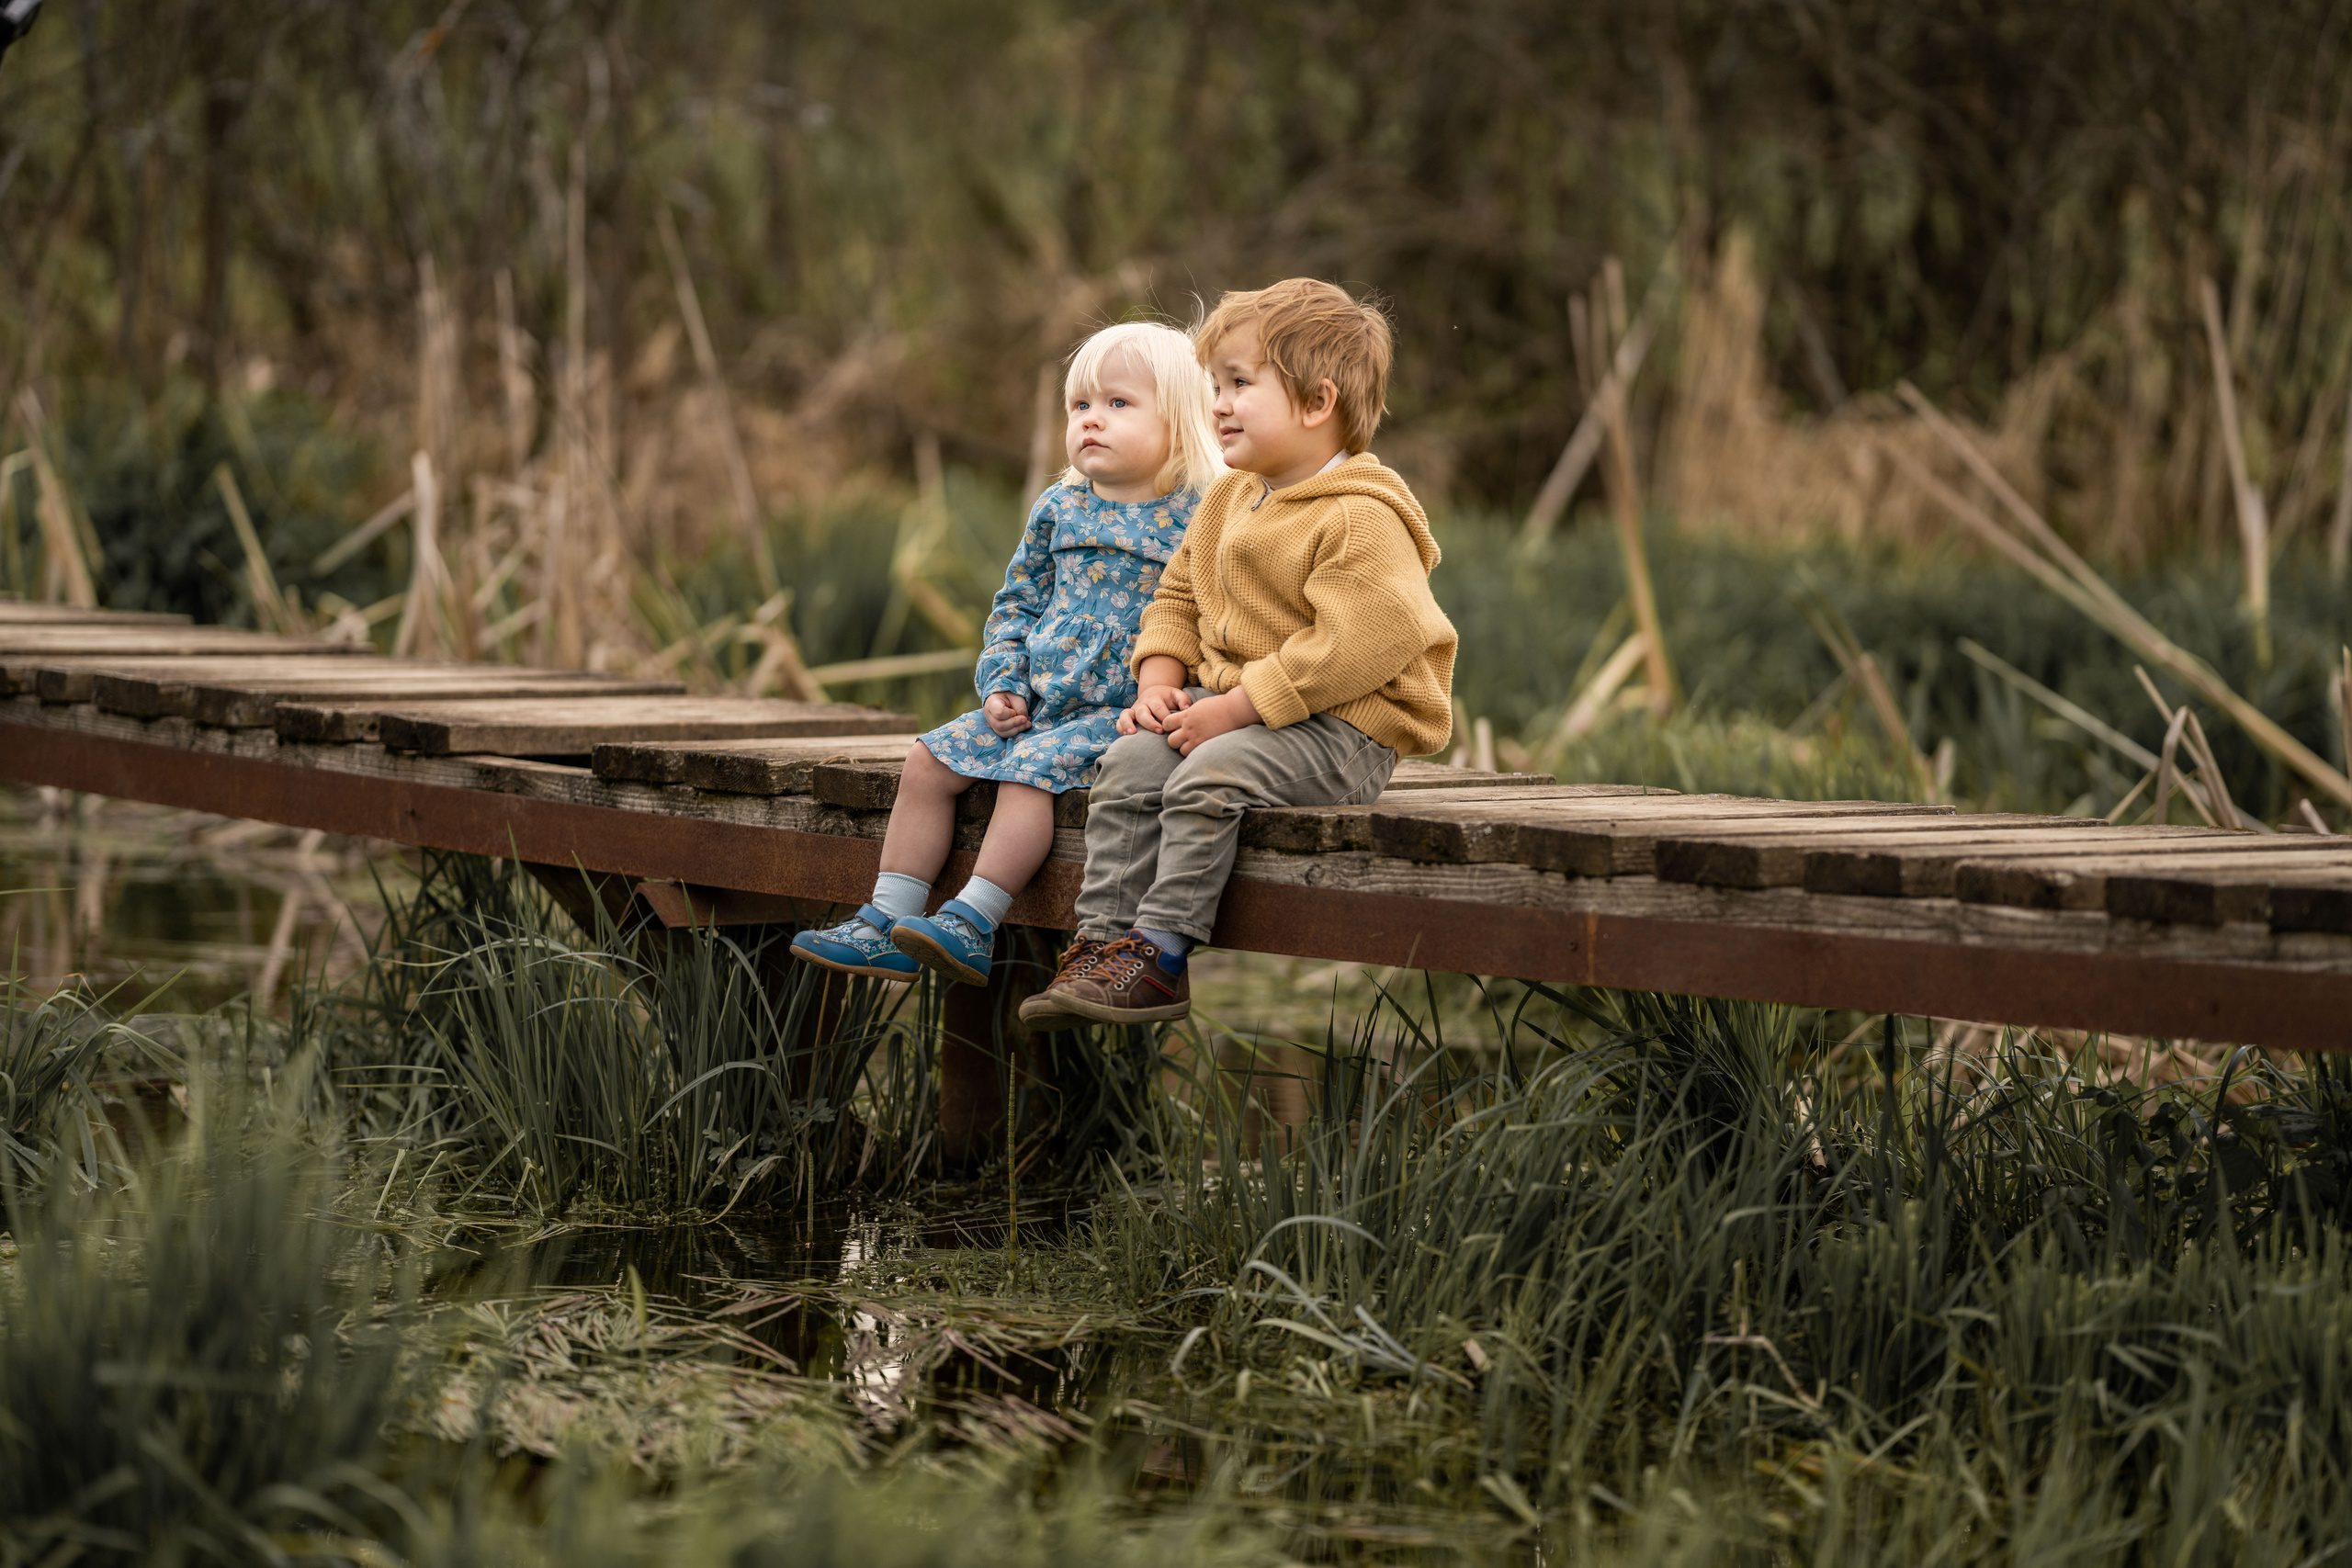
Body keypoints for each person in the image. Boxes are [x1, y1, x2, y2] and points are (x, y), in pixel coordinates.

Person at [1020, 278, 1457, 1026]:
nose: (1216, 401)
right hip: (1241, 713)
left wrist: (1237, 707)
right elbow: (1179, 595)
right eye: (1214, 384)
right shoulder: (1229, 498)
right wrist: (1158, 682)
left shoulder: (1360, 515)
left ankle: (1161, 954)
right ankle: (1101, 946)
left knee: (1210, 775)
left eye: (1238, 384)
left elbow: (1358, 642)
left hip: (1344, 730)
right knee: (1128, 764)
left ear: (1318, 404)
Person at [791, 321, 1223, 987]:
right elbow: (1016, 605)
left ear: (1181, 419)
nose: (1091, 422)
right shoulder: (1059, 507)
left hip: (1114, 715)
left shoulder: (1199, 516)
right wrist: (1003, 682)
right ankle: (887, 920)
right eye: (1080, 406)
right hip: (1038, 704)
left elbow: (1208, 619)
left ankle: (972, 922)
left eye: (1118, 404)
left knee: (1028, 773)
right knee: (928, 761)